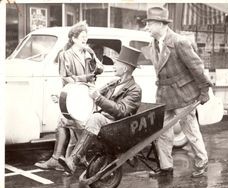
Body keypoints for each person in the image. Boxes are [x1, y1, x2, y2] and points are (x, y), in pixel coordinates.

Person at [142, 7, 213, 178]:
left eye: (149, 24)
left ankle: (202, 162)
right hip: (164, 96)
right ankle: (166, 167)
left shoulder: (180, 42)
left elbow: (197, 68)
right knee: (163, 133)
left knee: (191, 131)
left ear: (160, 24)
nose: (147, 28)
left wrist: (204, 90)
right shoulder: (152, 45)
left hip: (184, 95)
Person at [58, 45, 142, 175]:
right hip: (106, 123)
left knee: (95, 118)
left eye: (117, 63)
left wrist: (98, 98)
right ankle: (82, 157)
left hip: (118, 127)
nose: (114, 65)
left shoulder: (135, 90)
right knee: (68, 119)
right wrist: (68, 96)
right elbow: (92, 93)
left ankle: (74, 160)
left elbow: (121, 111)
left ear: (125, 68)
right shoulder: (115, 82)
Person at [35, 21, 103, 171]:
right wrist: (83, 80)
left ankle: (73, 159)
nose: (85, 39)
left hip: (87, 95)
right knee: (67, 123)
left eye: (86, 36)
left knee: (76, 125)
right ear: (73, 38)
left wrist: (94, 61)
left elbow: (100, 69)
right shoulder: (65, 55)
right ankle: (67, 159)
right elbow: (65, 77)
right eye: (82, 37)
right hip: (73, 94)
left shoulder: (88, 53)